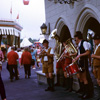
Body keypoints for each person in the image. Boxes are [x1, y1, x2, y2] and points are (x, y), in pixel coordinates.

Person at [73, 31, 93, 99]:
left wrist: (80, 55)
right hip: (80, 62)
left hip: (83, 62)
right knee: (81, 78)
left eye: (75, 38)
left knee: (84, 78)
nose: (75, 40)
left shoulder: (84, 43)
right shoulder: (79, 44)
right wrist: (75, 58)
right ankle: (84, 92)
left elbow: (88, 52)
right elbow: (79, 54)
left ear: (77, 37)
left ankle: (87, 94)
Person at [91, 34, 100, 100]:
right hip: (96, 66)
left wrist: (94, 56)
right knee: (97, 81)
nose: (94, 41)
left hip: (99, 66)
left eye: (95, 40)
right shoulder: (96, 47)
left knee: (99, 81)